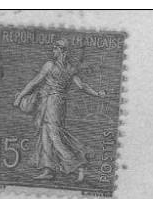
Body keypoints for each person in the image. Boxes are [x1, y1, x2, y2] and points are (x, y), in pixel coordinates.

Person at [12, 38, 106, 182]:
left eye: (56, 48)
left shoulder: (50, 65)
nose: (53, 51)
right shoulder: (70, 68)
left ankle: (79, 165)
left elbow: (35, 82)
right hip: (58, 104)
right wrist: (97, 93)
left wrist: (20, 97)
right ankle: (48, 169)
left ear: (63, 51)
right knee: (46, 136)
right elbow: (83, 86)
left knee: (55, 137)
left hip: (52, 103)